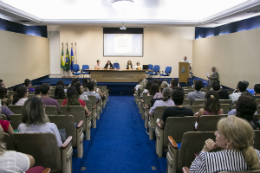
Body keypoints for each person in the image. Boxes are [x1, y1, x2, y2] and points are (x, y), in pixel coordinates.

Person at [189, 115, 260, 172]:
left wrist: (204, 150)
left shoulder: (208, 159)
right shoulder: (257, 155)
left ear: (228, 141)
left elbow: (192, 171)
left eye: (219, 132)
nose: (215, 133)